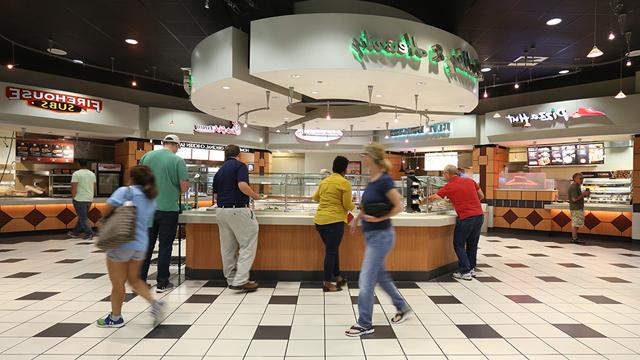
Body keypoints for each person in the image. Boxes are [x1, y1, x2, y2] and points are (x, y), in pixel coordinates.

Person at [346, 143, 411, 337]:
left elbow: (399, 206)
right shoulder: (372, 179)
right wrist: (356, 220)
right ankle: (402, 306)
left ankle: (365, 323)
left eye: (364, 154)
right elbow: (367, 205)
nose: (361, 157)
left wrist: (379, 218)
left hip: (382, 236)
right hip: (372, 235)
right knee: (381, 277)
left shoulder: (384, 180)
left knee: (366, 280)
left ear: (372, 157)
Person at [97, 166, 166, 328]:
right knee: (134, 280)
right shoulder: (151, 197)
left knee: (118, 282)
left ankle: (115, 318)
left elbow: (105, 211)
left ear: (132, 178)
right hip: (141, 244)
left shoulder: (125, 192)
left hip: (121, 241)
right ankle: (155, 304)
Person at [139, 134, 189, 293]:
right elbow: (184, 188)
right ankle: (162, 282)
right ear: (176, 146)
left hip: (147, 208)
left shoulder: (146, 156)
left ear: (163, 143)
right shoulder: (177, 160)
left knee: (147, 245)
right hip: (168, 209)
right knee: (165, 246)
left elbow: (139, 181)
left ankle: (140, 281)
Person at [213, 144, 261, 292]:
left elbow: (215, 195)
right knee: (248, 243)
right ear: (238, 155)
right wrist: (255, 196)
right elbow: (242, 186)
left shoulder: (219, 171)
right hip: (238, 210)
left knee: (227, 248)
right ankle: (241, 280)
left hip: (221, 211)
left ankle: (231, 278)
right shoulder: (240, 166)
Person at [426, 164, 484, 281]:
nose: (443, 175)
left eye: (443, 173)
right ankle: (471, 268)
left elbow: (434, 198)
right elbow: (481, 196)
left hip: (466, 217)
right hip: (479, 215)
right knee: (472, 244)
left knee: (459, 243)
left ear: (447, 173)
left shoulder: (450, 185)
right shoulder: (470, 181)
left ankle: (465, 271)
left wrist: (421, 202)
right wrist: (468, 202)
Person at [313, 156, 355, 292]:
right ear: (345, 169)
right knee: (331, 252)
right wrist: (354, 203)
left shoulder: (325, 181)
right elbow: (347, 205)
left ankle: (337, 277)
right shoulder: (344, 183)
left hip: (319, 221)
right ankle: (327, 283)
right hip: (334, 222)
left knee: (333, 249)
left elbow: (316, 198)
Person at [69, 159, 96, 240]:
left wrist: (74, 197)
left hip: (79, 198)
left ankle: (89, 234)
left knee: (83, 217)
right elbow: (94, 187)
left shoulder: (76, 174)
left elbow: (74, 187)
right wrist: (91, 196)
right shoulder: (92, 174)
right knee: (83, 216)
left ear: (78, 164)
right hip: (89, 198)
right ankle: (75, 232)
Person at [568, 173, 590, 244]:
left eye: (582, 178)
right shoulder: (573, 187)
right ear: (575, 179)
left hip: (578, 207)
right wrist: (583, 194)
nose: (582, 180)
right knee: (575, 224)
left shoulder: (577, 186)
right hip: (576, 208)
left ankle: (575, 238)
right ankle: (574, 238)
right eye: (580, 178)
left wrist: (584, 195)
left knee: (577, 223)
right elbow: (574, 199)